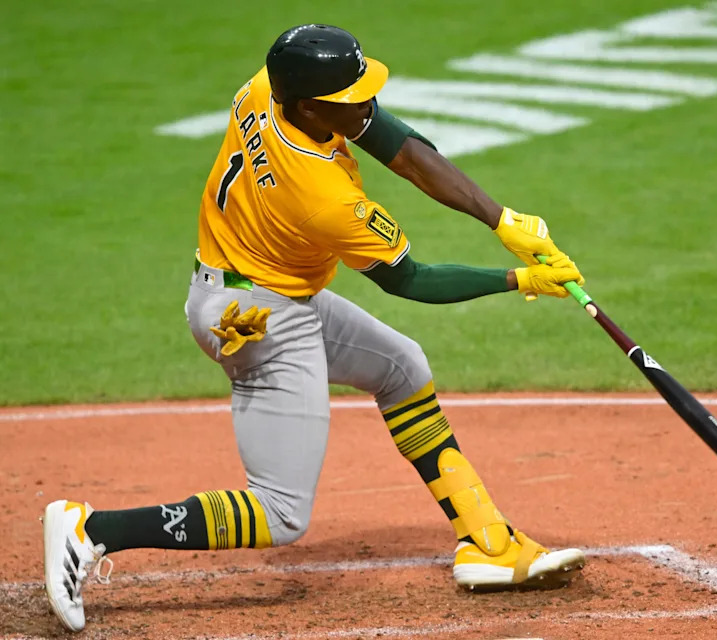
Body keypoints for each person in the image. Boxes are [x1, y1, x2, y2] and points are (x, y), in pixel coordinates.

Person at [42, 24, 586, 632]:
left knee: (402, 368)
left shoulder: (265, 89)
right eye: (350, 93)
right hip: (255, 319)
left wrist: (501, 218)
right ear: (310, 105)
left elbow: (397, 144)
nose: (365, 102)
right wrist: (518, 280)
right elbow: (410, 280)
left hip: (249, 288)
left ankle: (487, 544)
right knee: (280, 514)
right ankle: (90, 530)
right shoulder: (323, 196)